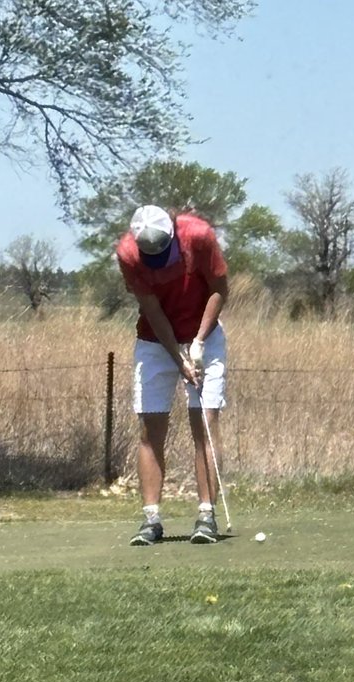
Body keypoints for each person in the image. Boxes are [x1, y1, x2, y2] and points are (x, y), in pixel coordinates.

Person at [116, 204, 229, 546]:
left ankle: (206, 515)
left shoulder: (199, 236)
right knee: (151, 428)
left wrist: (197, 343)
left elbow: (220, 290)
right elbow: (151, 309)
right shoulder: (127, 255)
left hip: (204, 335)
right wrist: (179, 359)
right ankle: (151, 520)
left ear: (174, 236)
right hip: (154, 341)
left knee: (204, 424)